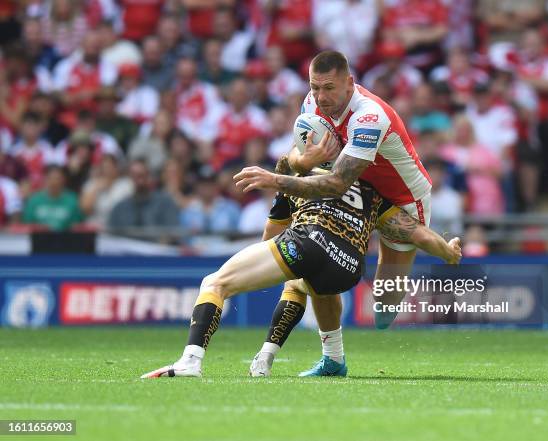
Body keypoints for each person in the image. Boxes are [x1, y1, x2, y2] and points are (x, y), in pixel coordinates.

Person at [141, 158, 461, 379]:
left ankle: (190, 360)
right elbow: (414, 231)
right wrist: (447, 252)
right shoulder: (370, 190)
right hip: (349, 265)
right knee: (304, 283)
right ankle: (309, 359)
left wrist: (271, 260)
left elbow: (269, 237)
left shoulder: (294, 177)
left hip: (310, 240)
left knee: (215, 282)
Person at [234, 51, 433, 335]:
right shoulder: (311, 104)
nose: (320, 96)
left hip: (402, 200)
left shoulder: (369, 116)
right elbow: (303, 156)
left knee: (384, 298)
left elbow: (336, 182)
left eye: (329, 88)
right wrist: (300, 163)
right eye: (315, 87)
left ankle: (389, 298)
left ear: (349, 83)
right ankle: (331, 353)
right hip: (358, 189)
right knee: (319, 260)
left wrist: (276, 179)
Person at [22, 165, 83, 231]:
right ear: (44, 179)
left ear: (64, 179)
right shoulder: (34, 200)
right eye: (50, 178)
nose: (54, 182)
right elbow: (27, 224)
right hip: (39, 239)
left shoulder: (72, 200)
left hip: (66, 239)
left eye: (57, 178)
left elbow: (77, 225)